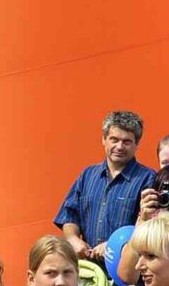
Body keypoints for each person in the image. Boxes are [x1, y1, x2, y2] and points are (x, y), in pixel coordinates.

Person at [55, 111, 153, 262]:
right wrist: (73, 239)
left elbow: (151, 227)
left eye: (126, 142)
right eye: (114, 139)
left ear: (136, 145)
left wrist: (115, 245)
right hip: (90, 271)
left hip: (129, 271)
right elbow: (69, 214)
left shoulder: (148, 179)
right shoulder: (88, 175)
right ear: (104, 140)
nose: (119, 146)